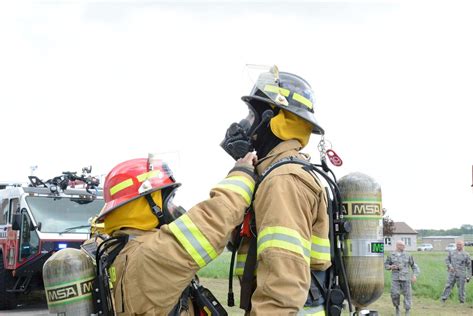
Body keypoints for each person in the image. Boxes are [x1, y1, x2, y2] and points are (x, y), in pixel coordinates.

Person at [221, 66, 331, 314]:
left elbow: (283, 282)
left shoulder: (283, 181)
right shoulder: (272, 174)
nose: (245, 125)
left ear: (274, 121)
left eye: (252, 115)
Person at [94, 152, 257, 315]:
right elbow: (213, 222)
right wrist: (242, 174)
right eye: (169, 200)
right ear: (146, 205)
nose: (173, 208)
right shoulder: (150, 255)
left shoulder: (121, 249)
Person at [384, 240, 420, 316]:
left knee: (407, 295)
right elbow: (386, 265)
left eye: (404, 245)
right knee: (394, 294)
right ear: (397, 246)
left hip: (406, 278)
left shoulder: (408, 255)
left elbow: (414, 266)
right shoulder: (391, 255)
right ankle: (397, 308)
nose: (404, 247)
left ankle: (407, 311)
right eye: (402, 245)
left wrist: (414, 275)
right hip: (395, 278)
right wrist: (391, 267)